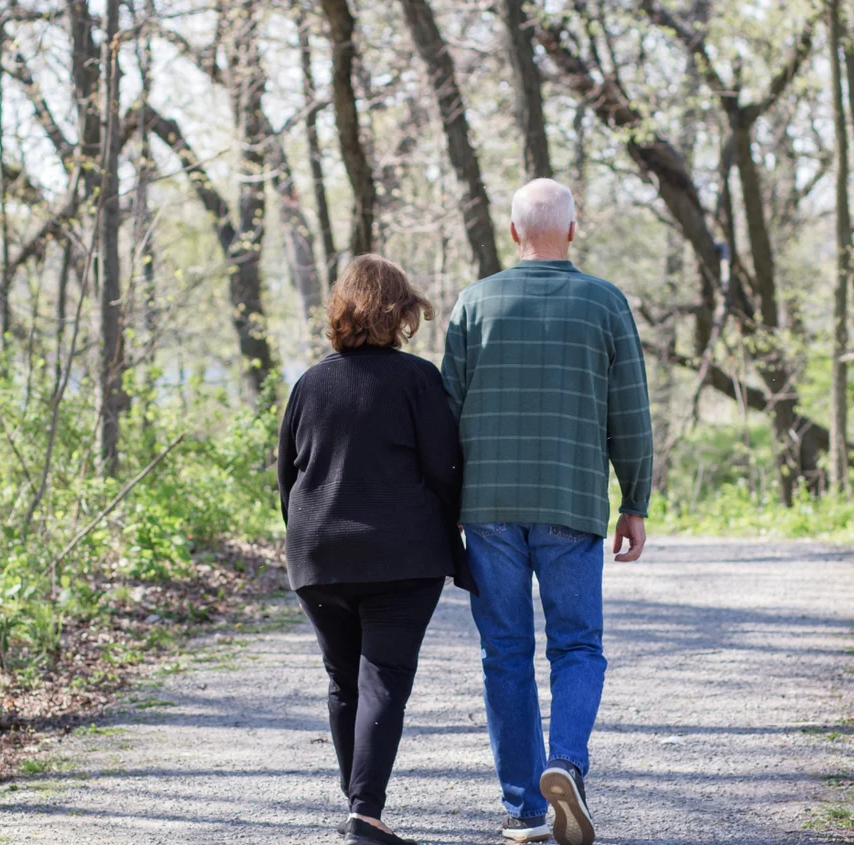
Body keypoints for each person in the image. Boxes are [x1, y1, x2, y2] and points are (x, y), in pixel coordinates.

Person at [441, 179, 653, 845]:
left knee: (504, 650)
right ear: (572, 229)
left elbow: (444, 416)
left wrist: (444, 506)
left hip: (489, 507)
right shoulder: (604, 302)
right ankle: (565, 762)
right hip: (571, 499)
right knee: (577, 644)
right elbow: (632, 414)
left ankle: (523, 807)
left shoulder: (475, 303)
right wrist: (635, 501)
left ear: (512, 233)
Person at [278, 254, 475, 845]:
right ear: (402, 312)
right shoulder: (417, 380)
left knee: (344, 679)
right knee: (383, 677)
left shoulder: (310, 382)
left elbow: (287, 475)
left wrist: (308, 534)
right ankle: (364, 812)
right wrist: (457, 525)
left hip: (317, 555)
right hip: (402, 557)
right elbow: (445, 468)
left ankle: (358, 806)